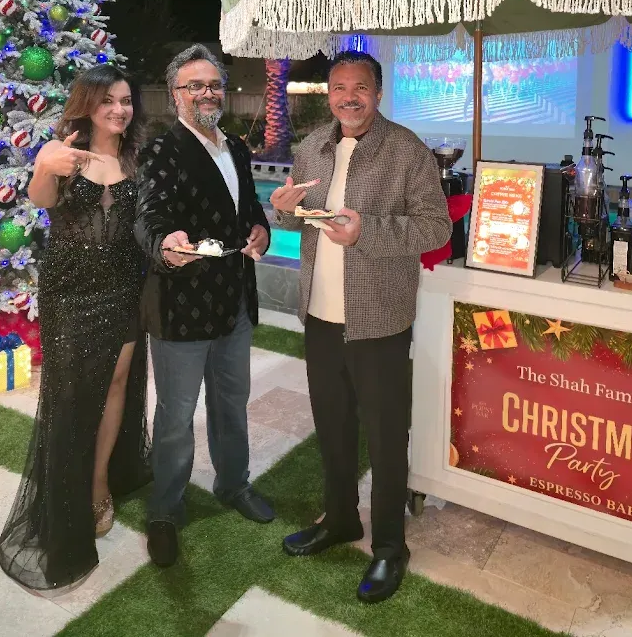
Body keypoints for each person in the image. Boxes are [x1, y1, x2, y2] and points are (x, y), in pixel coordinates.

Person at [271, 50, 451, 604]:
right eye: (339, 88)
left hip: (378, 319)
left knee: (385, 435)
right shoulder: (309, 148)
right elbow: (296, 218)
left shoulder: (406, 151)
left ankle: (390, 547)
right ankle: (341, 519)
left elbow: (435, 226)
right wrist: (281, 210)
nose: (349, 97)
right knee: (333, 427)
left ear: (378, 92)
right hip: (320, 315)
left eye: (360, 87)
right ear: (328, 95)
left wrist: (365, 231)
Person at [0, 66, 151, 590]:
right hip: (71, 293)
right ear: (88, 104)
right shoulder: (64, 149)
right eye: (108, 100)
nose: (119, 109)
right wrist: (44, 163)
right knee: (69, 398)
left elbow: (146, 222)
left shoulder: (137, 156)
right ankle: (64, 496)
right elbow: (40, 201)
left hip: (125, 288)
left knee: (113, 387)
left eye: (126, 100)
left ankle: (99, 483)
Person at [135, 44, 273, 569]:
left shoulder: (235, 146)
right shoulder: (163, 150)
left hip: (235, 300)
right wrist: (163, 245)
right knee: (175, 417)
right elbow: (148, 216)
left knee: (232, 401)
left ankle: (232, 484)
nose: (208, 92)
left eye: (214, 83)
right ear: (176, 97)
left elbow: (249, 207)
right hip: (182, 305)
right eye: (195, 85)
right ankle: (165, 511)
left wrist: (259, 228)